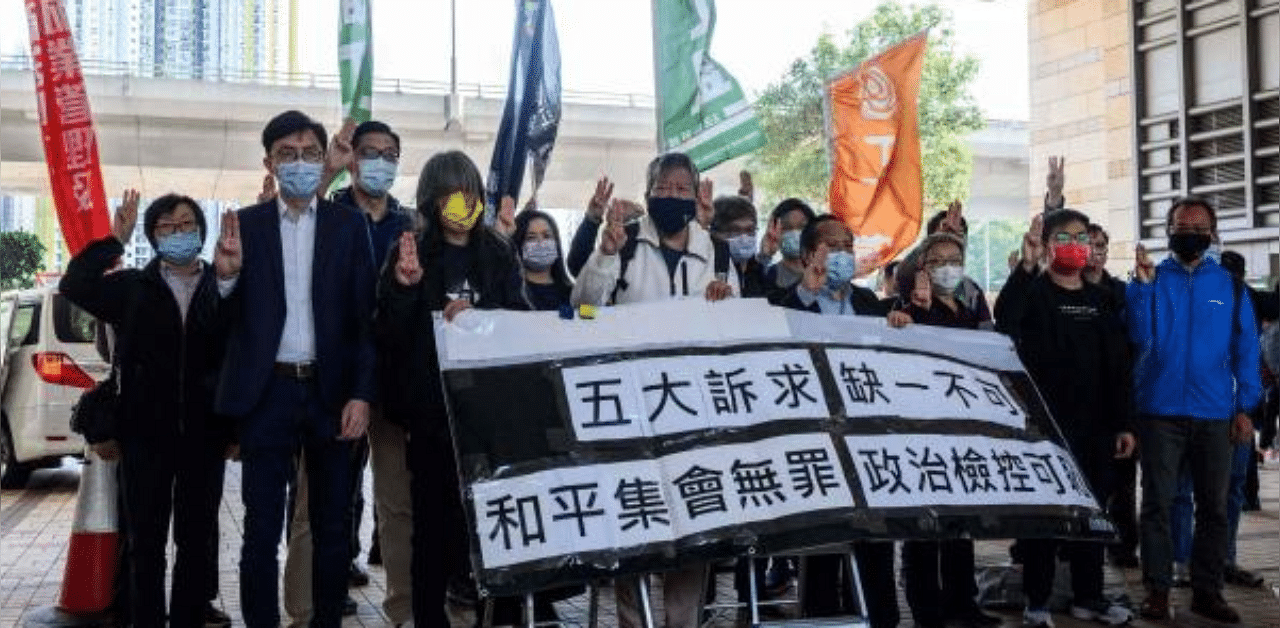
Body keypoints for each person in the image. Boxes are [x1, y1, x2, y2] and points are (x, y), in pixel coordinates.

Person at [214, 110, 377, 628]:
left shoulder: (348, 226)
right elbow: (223, 324)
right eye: (288, 154)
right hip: (269, 395)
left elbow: (364, 320)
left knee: (332, 528)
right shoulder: (246, 226)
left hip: (331, 396)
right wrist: (225, 280)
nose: (300, 163)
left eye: (310, 153)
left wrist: (361, 395)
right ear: (269, 162)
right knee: (261, 531)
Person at [571, 152, 735, 628]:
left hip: (695, 414)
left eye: (683, 189)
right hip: (633, 412)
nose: (672, 196)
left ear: (696, 194)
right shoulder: (622, 244)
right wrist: (603, 254)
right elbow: (582, 307)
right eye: (663, 187)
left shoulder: (717, 253)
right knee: (637, 527)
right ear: (647, 195)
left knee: (694, 525)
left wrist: (724, 306)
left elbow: (738, 331)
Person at [61, 190, 232, 628]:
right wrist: (113, 241)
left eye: (186, 224)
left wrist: (234, 429)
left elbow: (235, 356)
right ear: (153, 236)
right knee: (145, 544)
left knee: (196, 543)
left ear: (201, 230)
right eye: (166, 227)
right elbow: (75, 284)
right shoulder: (132, 287)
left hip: (204, 435)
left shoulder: (221, 285)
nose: (178, 233)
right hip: (143, 435)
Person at [376, 150, 528, 628]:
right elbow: (389, 334)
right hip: (431, 416)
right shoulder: (410, 252)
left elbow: (520, 321)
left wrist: (480, 321)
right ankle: (428, 617)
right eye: (451, 195)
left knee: (492, 520)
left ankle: (498, 613)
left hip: (488, 416)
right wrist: (404, 288)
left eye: (470, 193)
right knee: (432, 528)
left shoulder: (499, 253)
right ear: (431, 201)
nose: (463, 204)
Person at [280, 118, 416, 626]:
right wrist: (326, 170)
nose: (379, 161)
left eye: (389, 153)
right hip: (335, 383)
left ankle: (404, 608)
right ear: (351, 159)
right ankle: (305, 608)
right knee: (316, 507)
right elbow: (287, 216)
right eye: (369, 152)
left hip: (395, 383)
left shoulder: (410, 226)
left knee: (398, 504)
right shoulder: (327, 212)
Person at [995, 209, 1136, 627]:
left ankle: (1088, 597)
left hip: (1098, 428)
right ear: (1048, 244)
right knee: (1046, 517)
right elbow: (1006, 319)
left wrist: (1125, 423)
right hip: (1045, 428)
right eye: (1064, 237)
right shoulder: (1034, 293)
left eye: (1082, 237)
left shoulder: (1101, 300)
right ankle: (1036, 601)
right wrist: (1026, 264)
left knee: (1092, 515)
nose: (1075, 244)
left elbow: (1119, 368)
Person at [1127, 196, 1261, 623]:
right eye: (1183, 225)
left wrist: (1245, 408)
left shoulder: (1231, 287)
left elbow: (1246, 352)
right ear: (1168, 230)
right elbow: (1136, 338)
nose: (1191, 232)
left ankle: (1208, 591)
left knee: (1215, 508)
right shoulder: (1149, 280)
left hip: (1215, 413)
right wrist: (1142, 290)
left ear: (1212, 233)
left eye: (1200, 226)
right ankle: (1158, 591)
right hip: (1159, 410)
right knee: (1158, 506)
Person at [778, 214, 899, 628]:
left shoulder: (869, 304)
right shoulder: (785, 302)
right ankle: (825, 618)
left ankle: (881, 619)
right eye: (832, 245)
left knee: (876, 541)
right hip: (818, 440)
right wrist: (806, 297)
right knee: (825, 543)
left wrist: (900, 326)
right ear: (810, 254)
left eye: (849, 245)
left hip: (867, 439)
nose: (843, 253)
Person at [892, 233, 1001, 628]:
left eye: (955, 258)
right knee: (925, 523)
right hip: (923, 428)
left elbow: (990, 351)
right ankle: (926, 608)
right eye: (938, 261)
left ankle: (963, 603)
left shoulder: (970, 304)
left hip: (965, 425)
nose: (948, 267)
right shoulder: (909, 308)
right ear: (922, 266)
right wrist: (914, 311)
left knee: (961, 523)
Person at [513, 209, 574, 310]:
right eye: (531, 237)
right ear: (519, 245)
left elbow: (596, 315)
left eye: (547, 236)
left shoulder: (572, 294)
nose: (540, 242)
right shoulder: (510, 293)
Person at [710, 195, 769, 298]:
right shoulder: (706, 271)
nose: (744, 238)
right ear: (715, 233)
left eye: (750, 230)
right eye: (734, 231)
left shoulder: (759, 272)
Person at [760, 198, 817, 304]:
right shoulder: (768, 274)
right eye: (787, 228)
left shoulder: (825, 274)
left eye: (802, 227)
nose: (795, 233)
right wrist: (765, 256)